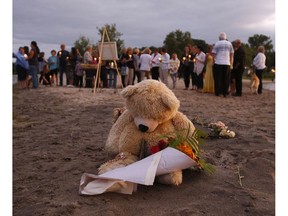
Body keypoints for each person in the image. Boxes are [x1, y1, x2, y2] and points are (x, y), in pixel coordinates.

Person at [212, 32, 234, 97]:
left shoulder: (217, 43)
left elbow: (213, 54)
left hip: (218, 62)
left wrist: (213, 62)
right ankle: (225, 92)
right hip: (227, 63)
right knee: (226, 79)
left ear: (219, 37)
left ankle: (218, 92)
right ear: (226, 37)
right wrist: (231, 62)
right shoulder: (229, 44)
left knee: (218, 78)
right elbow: (232, 54)